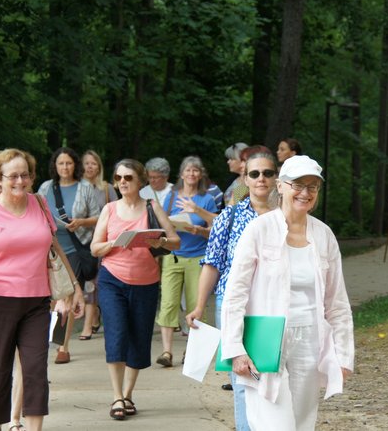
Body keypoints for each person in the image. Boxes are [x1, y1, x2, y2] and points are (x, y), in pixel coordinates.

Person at [220, 155, 354, 431]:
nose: (305, 193)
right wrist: (234, 348)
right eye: (297, 184)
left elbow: (337, 302)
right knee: (274, 423)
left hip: (310, 339)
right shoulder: (259, 230)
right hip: (264, 342)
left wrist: (342, 354)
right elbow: (236, 293)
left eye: (312, 187)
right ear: (280, 186)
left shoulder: (324, 235)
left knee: (303, 423)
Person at [0, 148, 84, 430]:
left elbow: (55, 248)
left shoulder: (39, 203)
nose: (20, 181)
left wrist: (74, 287)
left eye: (25, 175)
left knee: (35, 370)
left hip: (36, 302)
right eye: (13, 176)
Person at [186, 151, 278, 431]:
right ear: (244, 177)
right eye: (254, 173)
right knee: (242, 380)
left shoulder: (286, 217)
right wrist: (200, 306)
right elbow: (212, 263)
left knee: (273, 377)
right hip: (233, 303)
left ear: (276, 177)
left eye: (267, 173)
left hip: (274, 304)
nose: (261, 178)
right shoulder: (230, 214)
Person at [90, 159, 180, 421]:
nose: (122, 183)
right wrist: (113, 243)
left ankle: (128, 395)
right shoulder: (109, 209)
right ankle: (117, 396)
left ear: (140, 181)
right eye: (118, 178)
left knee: (139, 338)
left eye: (128, 178)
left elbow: (175, 242)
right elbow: (95, 248)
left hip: (146, 282)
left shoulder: (152, 206)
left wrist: (160, 240)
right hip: (112, 279)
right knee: (116, 334)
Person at [37, 147, 100, 360]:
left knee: (69, 294)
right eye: (61, 163)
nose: (65, 167)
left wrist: (81, 222)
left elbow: (99, 217)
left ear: (76, 165)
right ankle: (50, 339)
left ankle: (62, 346)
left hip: (76, 247)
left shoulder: (86, 187)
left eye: (69, 163)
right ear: (55, 166)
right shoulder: (46, 188)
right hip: (49, 248)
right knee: (53, 297)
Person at [156, 156, 218, 367]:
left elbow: (216, 231)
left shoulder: (206, 199)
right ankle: (166, 352)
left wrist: (197, 228)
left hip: (198, 257)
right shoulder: (171, 197)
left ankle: (193, 352)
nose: (192, 174)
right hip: (174, 256)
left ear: (200, 175)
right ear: (181, 174)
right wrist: (172, 227)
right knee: (168, 303)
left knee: (195, 303)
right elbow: (162, 224)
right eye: (188, 170)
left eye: (196, 171)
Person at [81, 150, 118, 338]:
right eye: (86, 163)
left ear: (99, 166)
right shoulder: (77, 188)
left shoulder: (106, 188)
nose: (89, 166)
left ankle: (94, 316)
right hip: (79, 240)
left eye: (93, 163)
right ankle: (93, 315)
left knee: (96, 280)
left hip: (100, 241)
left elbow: (117, 214)